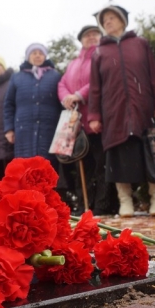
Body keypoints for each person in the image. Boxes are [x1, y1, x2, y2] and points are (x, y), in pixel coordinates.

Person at [88, 3, 155, 217]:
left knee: (150, 154)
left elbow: (153, 74)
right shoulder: (99, 53)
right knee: (118, 157)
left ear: (123, 20)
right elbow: (95, 87)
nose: (108, 22)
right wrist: (94, 116)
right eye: (104, 20)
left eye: (112, 18)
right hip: (114, 112)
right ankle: (125, 202)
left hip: (143, 108)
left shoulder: (140, 44)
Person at [59, 25, 118, 215]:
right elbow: (62, 83)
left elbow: (97, 81)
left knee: (101, 164)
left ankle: (102, 204)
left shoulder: (102, 55)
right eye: (86, 35)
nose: (91, 37)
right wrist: (66, 97)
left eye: (94, 34)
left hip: (97, 119)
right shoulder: (73, 63)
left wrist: (78, 95)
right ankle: (85, 204)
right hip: (77, 123)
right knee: (82, 165)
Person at [3, 43, 62, 167]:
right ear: (28, 57)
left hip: (49, 129)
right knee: (25, 166)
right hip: (23, 130)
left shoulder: (55, 76)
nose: (37, 56)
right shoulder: (17, 77)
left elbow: (61, 101)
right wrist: (9, 129)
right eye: (34, 53)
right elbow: (9, 104)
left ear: (45, 56)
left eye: (40, 53)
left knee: (48, 166)